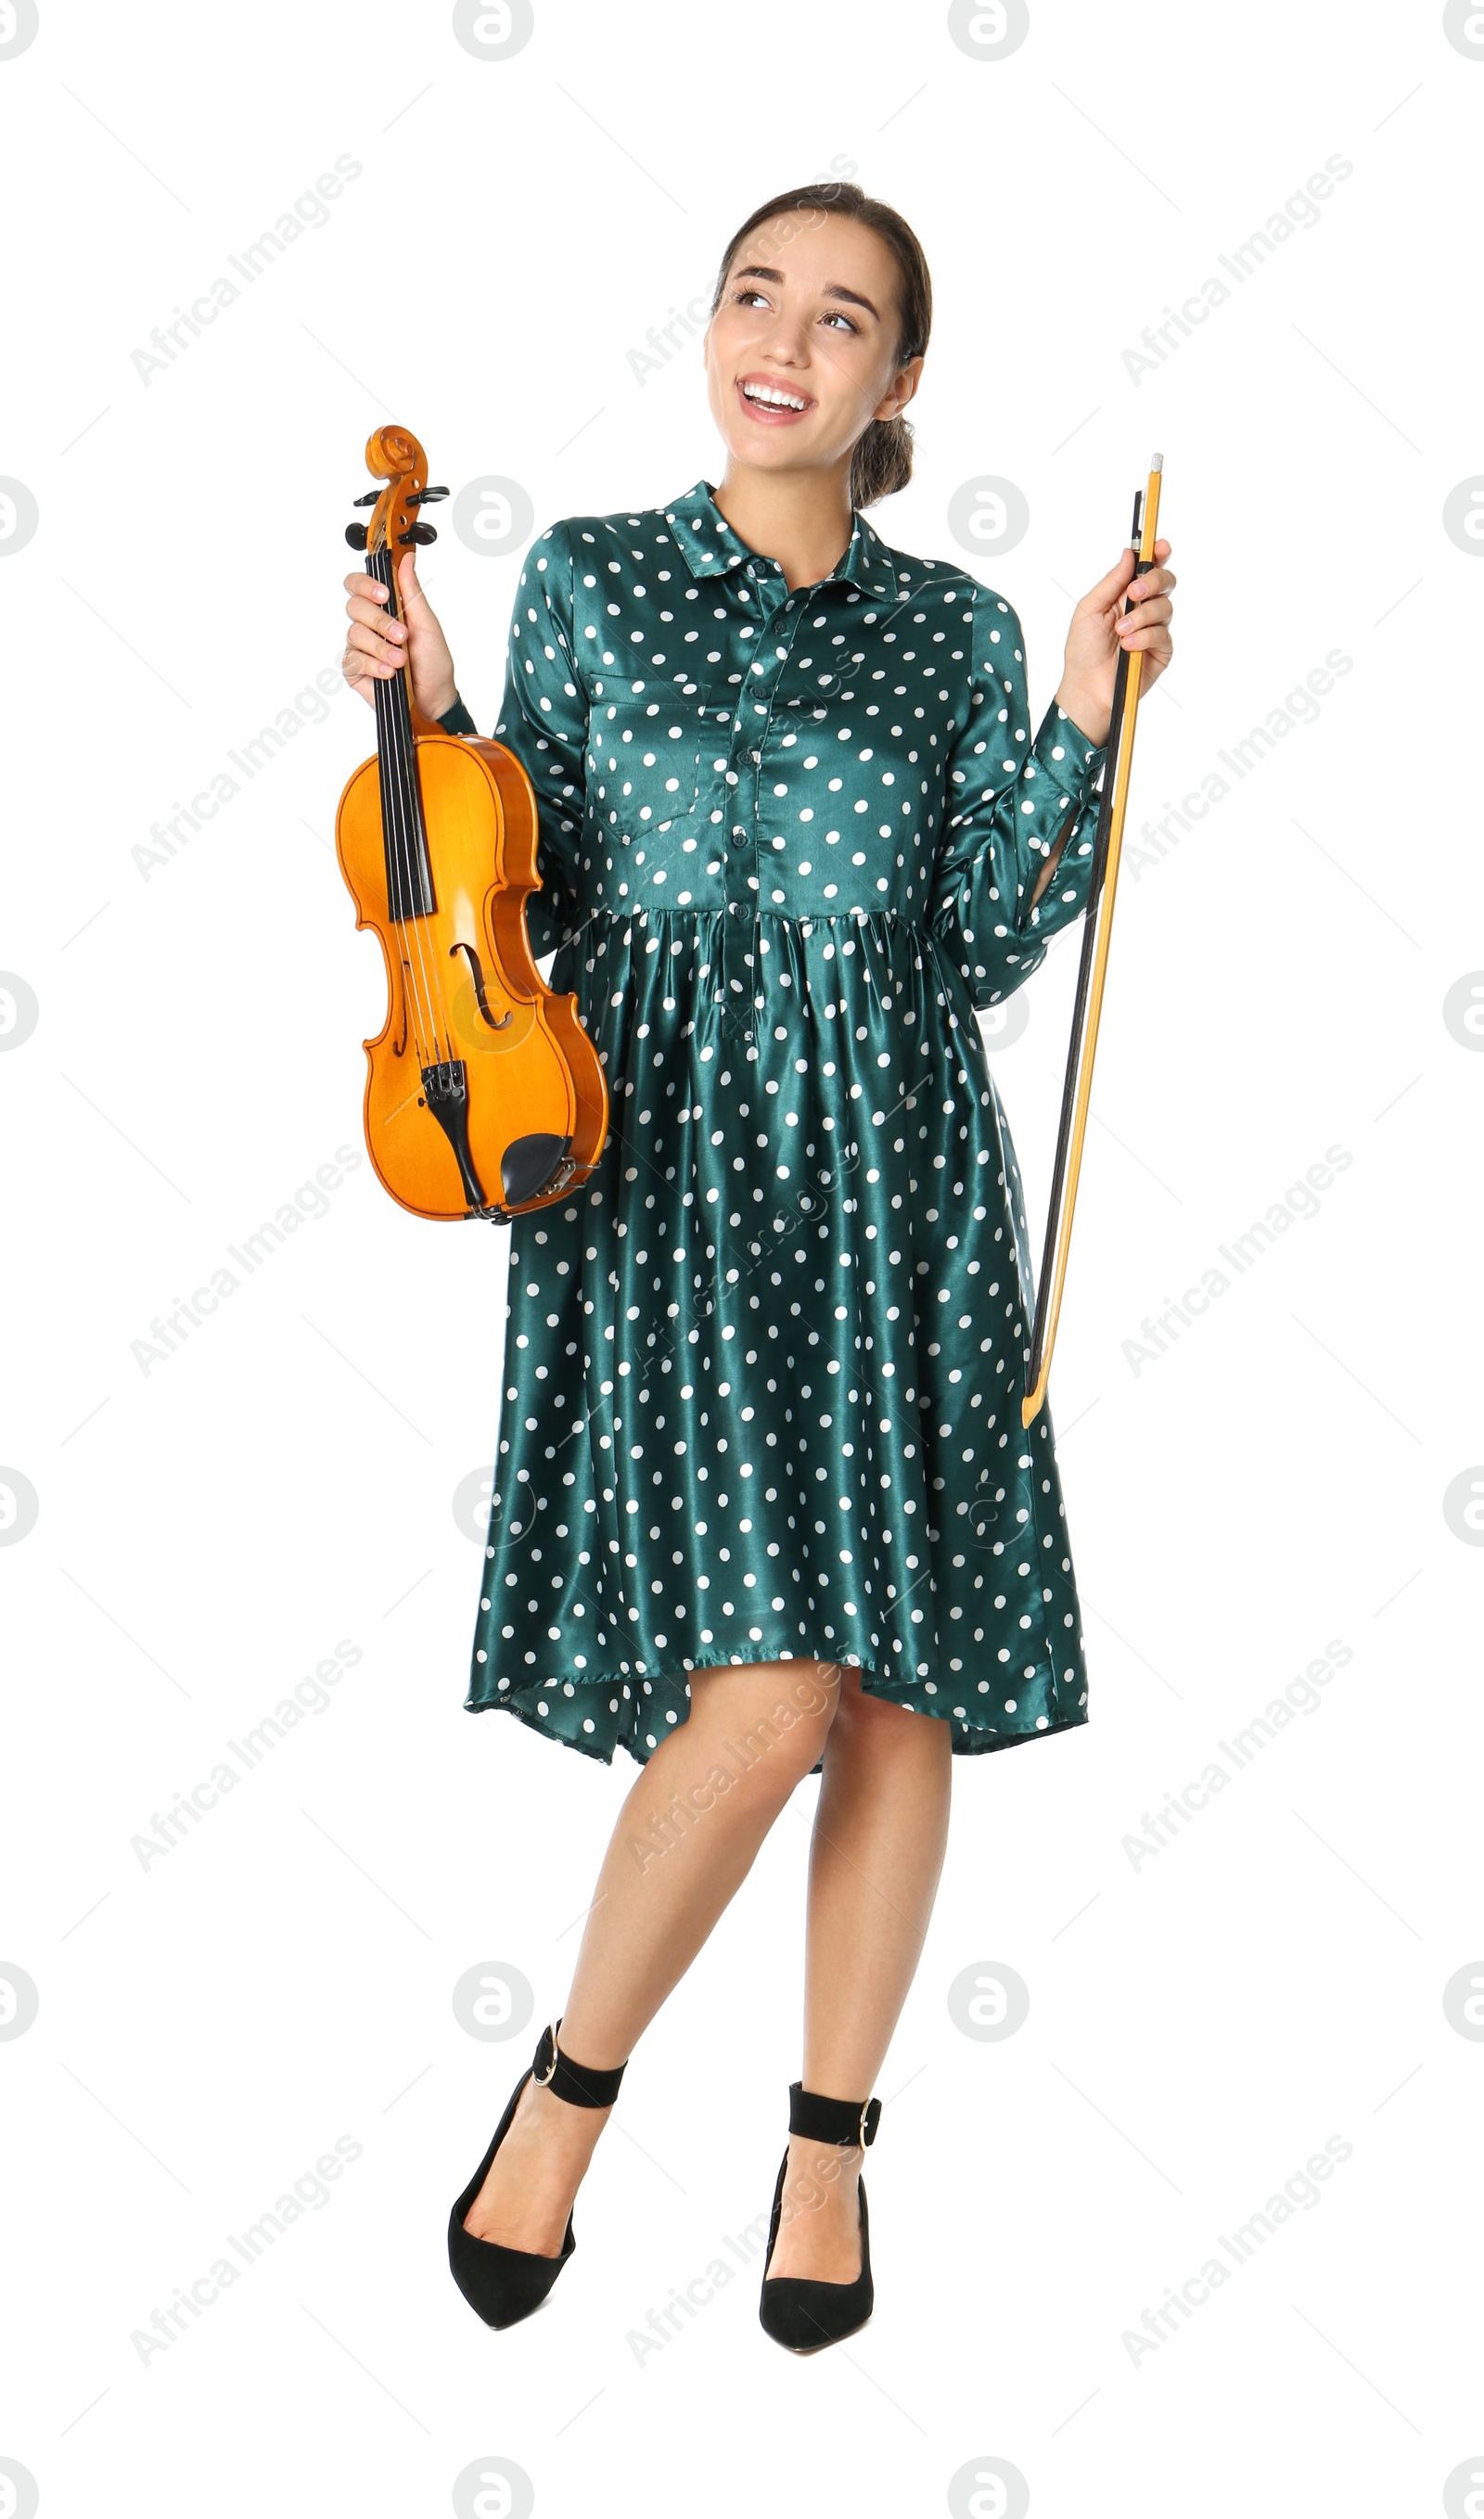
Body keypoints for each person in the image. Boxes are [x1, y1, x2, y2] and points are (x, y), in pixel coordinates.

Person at [340, 178, 1175, 2352]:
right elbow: (509, 885)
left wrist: (1084, 703)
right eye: (750, 295)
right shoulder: (596, 580)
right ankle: (568, 2091)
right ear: (707, 329)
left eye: (838, 317)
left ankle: (827, 2140)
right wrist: (425, 720)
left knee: (901, 1685)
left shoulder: (960, 631)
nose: (779, 339)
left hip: (896, 1174)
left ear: (899, 383)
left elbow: (983, 934)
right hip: (670, 1184)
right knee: (768, 1686)